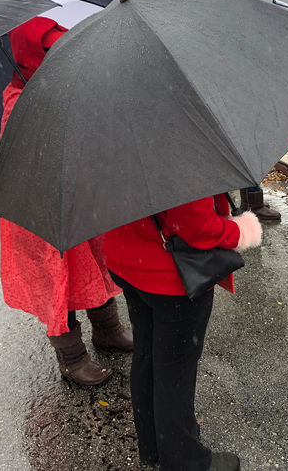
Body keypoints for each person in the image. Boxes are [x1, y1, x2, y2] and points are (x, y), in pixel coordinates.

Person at [0, 17, 133, 387]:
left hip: (77, 197)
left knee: (94, 263)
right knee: (58, 276)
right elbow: (30, 160)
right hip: (40, 209)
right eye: (49, 50)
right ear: (32, 55)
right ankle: (70, 356)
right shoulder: (19, 98)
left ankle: (107, 329)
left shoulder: (63, 86)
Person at [103, 196, 262, 471]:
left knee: (147, 355)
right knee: (175, 373)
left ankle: (153, 444)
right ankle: (184, 461)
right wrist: (242, 231)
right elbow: (195, 224)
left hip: (126, 257)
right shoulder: (181, 154)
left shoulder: (108, 152)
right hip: (170, 275)